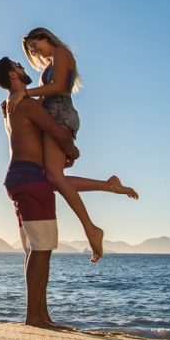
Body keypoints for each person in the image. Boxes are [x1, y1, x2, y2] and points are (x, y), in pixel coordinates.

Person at [0, 58, 136, 328]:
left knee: (36, 250)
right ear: (13, 74)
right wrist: (72, 150)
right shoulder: (25, 104)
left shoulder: (9, 108)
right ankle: (35, 317)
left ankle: (40, 315)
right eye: (19, 65)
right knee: (41, 250)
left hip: (20, 177)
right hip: (30, 177)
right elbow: (56, 130)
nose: (23, 67)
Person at [7, 28, 137, 262]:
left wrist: (25, 93)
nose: (35, 50)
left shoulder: (61, 52)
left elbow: (58, 88)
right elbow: (45, 96)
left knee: (54, 177)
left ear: (46, 37)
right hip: (53, 114)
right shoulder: (50, 63)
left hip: (60, 114)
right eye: (31, 50)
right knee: (51, 178)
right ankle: (109, 186)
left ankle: (91, 228)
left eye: (36, 44)